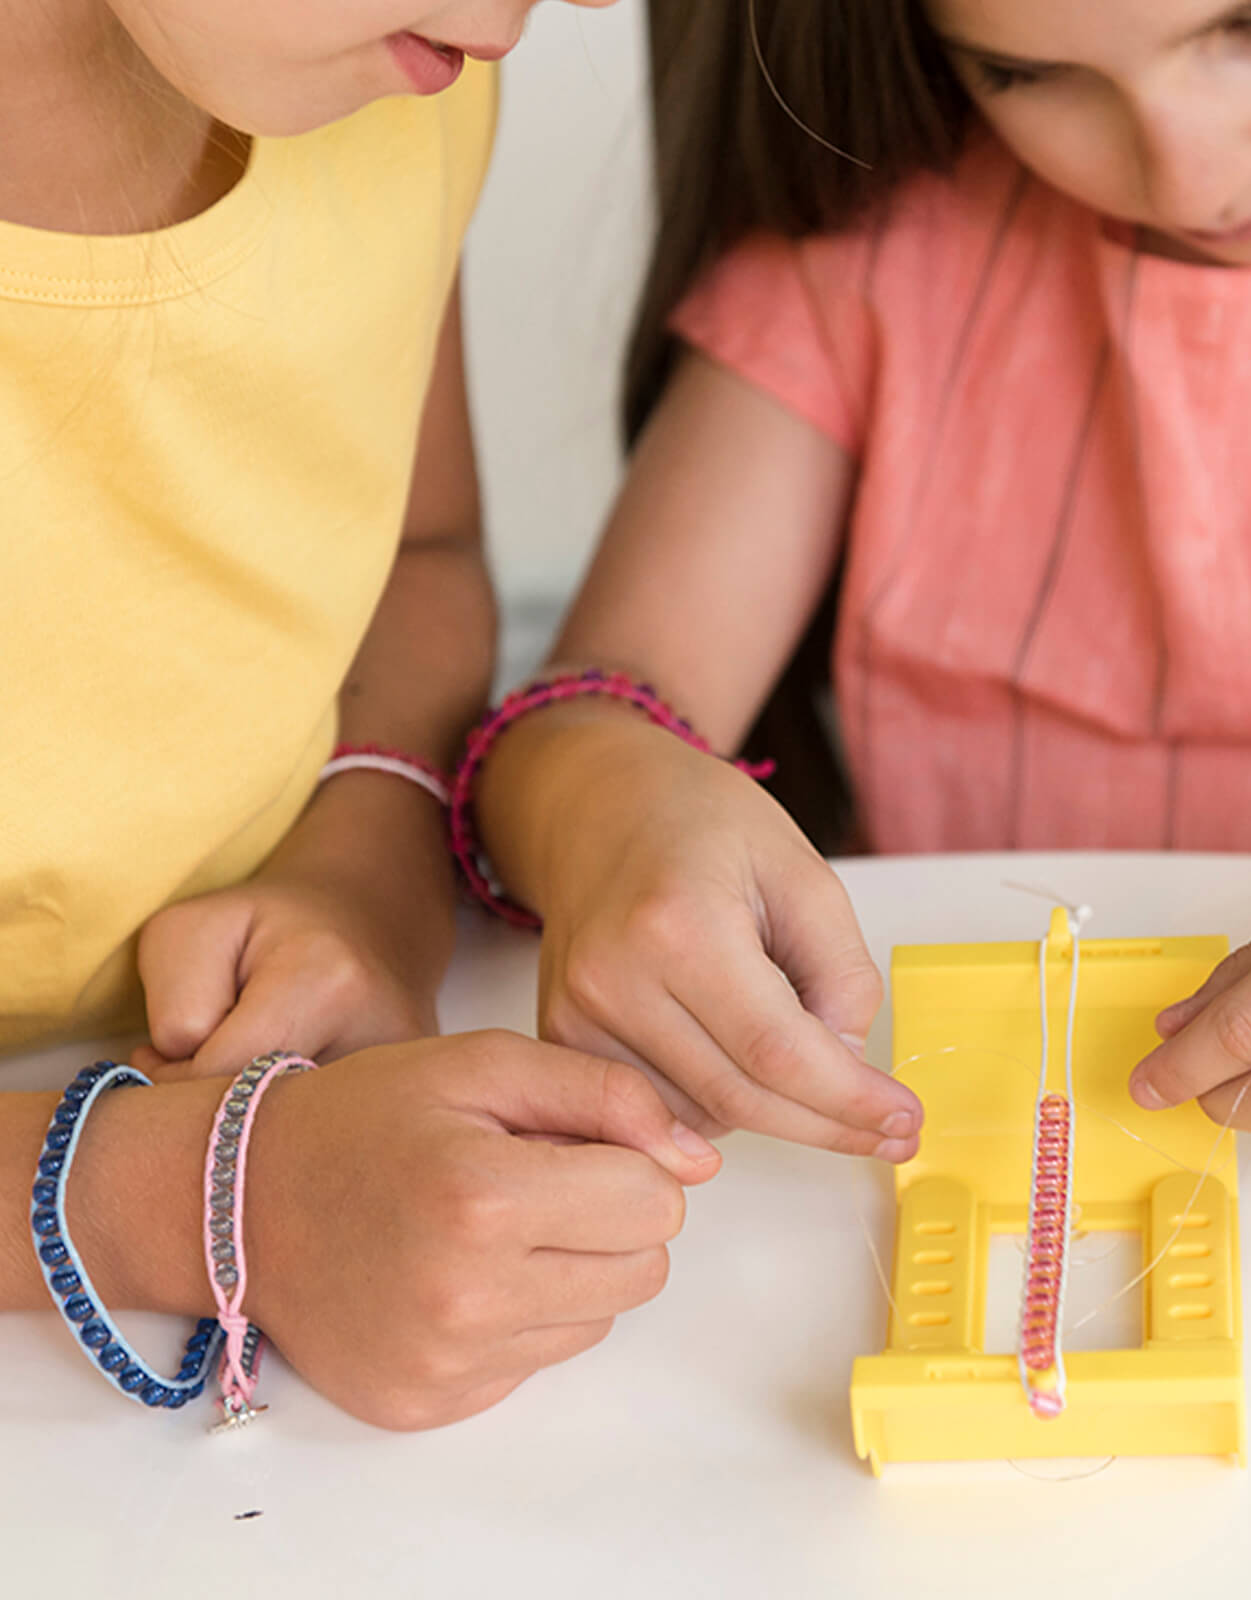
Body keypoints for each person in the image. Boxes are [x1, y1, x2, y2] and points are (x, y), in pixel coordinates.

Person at [471, 0, 1251, 1202]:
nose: (1192, 173)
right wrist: (609, 800)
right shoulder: (877, 255)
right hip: (991, 1159)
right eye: (1025, 73)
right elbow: (574, 722)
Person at [1, 0, 718, 1430]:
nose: (531, 21)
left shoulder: (391, 85)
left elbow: (420, 560)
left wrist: (365, 871)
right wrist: (202, 1189)